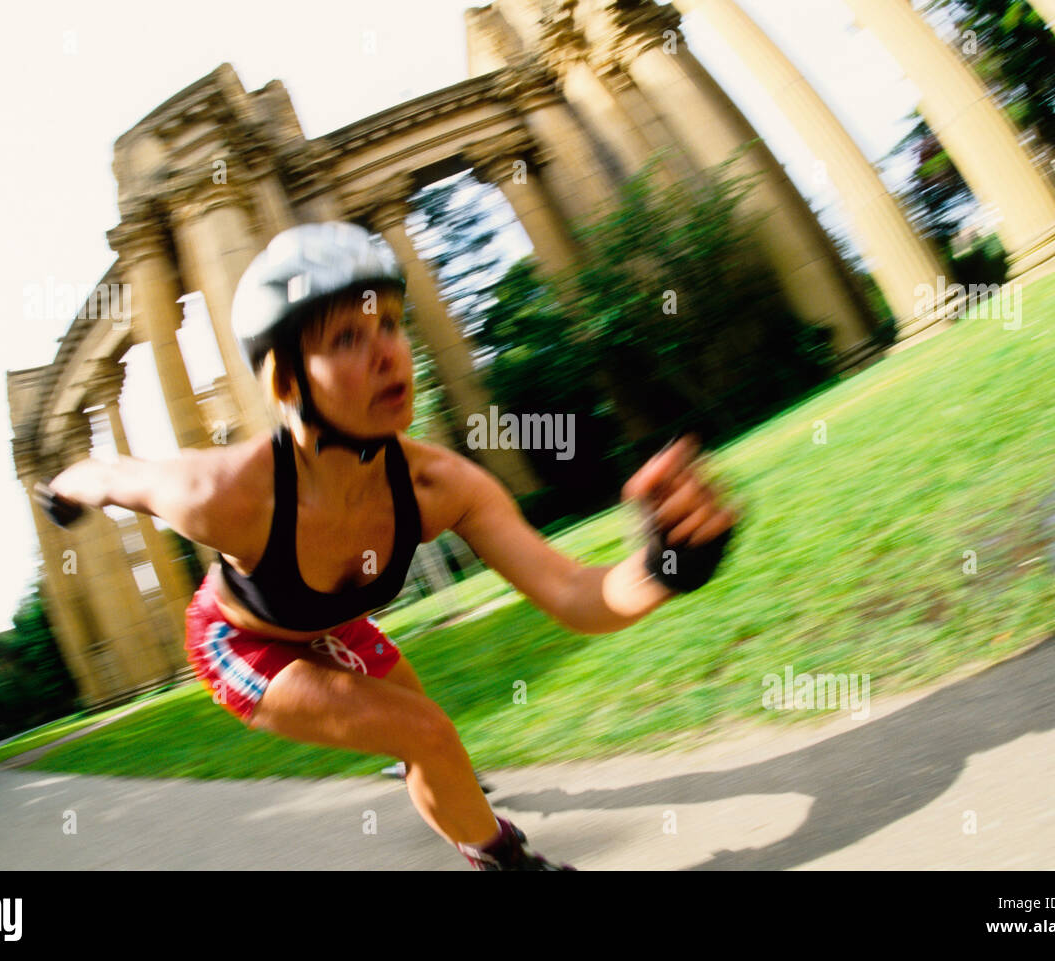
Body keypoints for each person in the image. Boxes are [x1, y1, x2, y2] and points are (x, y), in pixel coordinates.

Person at [41, 221, 739, 870]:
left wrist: (664, 565)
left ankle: (442, 790)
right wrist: (63, 491)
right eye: (346, 337)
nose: (387, 353)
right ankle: (506, 860)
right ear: (286, 381)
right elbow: (113, 474)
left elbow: (574, 594)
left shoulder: (440, 484)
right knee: (424, 730)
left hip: (333, 622)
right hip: (237, 640)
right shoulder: (222, 493)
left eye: (391, 324)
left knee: (427, 739)